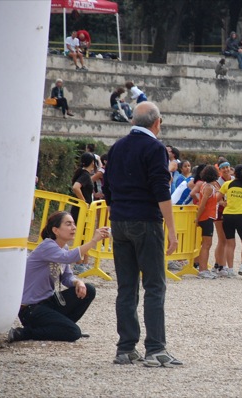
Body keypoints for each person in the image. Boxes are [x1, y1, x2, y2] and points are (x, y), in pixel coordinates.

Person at [102, 101, 181, 368]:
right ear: (157, 122)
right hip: (146, 221)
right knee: (155, 286)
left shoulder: (117, 147)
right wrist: (171, 230)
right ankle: (156, 349)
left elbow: (107, 188)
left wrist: (118, 214)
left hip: (120, 221)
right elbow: (161, 190)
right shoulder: (155, 148)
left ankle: (125, 348)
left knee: (126, 287)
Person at [6, 211, 108, 343]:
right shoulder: (47, 246)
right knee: (74, 333)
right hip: (31, 308)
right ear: (56, 230)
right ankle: (24, 333)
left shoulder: (63, 247)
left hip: (49, 302)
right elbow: (68, 257)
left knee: (89, 289)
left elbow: (67, 277)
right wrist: (93, 241)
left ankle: (61, 328)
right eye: (68, 224)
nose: (74, 227)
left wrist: (77, 282)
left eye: (73, 224)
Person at [195, 165, 220, 279]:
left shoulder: (206, 185)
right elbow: (202, 205)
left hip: (207, 217)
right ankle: (203, 270)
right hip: (206, 217)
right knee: (206, 244)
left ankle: (203, 268)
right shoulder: (209, 187)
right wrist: (197, 218)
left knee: (205, 244)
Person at [212, 159, 234, 276]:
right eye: (223, 168)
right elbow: (216, 197)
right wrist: (221, 202)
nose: (226, 169)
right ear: (219, 170)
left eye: (227, 167)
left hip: (231, 212)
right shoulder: (218, 182)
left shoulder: (234, 180)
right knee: (222, 239)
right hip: (220, 212)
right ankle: (221, 265)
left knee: (227, 240)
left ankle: (218, 264)